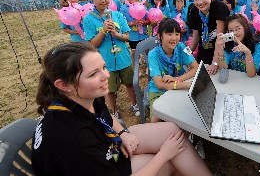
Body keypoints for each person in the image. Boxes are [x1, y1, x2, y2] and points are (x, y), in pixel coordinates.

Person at [32, 42, 213, 176]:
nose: (106, 75)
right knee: (170, 160)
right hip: (97, 161)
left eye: (103, 67)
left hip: (103, 148)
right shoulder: (74, 139)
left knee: (172, 132)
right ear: (64, 84)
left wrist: (123, 134)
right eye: (94, 74)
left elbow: (105, 116)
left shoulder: (78, 97)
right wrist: (164, 155)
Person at [83, 0, 139, 118]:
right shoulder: (88, 19)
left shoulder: (118, 15)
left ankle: (135, 104)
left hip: (123, 58)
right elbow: (92, 45)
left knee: (130, 83)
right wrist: (103, 30)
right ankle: (114, 111)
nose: (103, 0)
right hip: (105, 62)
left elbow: (128, 36)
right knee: (109, 89)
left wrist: (117, 34)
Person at [148, 18, 199, 122]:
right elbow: (159, 84)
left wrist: (177, 79)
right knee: (155, 121)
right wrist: (185, 85)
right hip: (158, 92)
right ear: (160, 36)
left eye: (177, 34)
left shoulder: (182, 47)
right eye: (169, 34)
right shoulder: (153, 54)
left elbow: (196, 67)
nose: (174, 38)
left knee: (186, 116)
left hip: (178, 87)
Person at [187, 0, 230, 75]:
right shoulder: (194, 11)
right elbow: (195, 37)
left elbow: (220, 38)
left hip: (221, 54)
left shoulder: (219, 7)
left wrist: (215, 62)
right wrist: (185, 55)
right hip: (204, 53)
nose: (200, 2)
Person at [119, 0, 150, 66]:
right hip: (132, 36)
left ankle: (149, 68)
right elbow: (122, 24)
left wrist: (144, 22)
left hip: (143, 35)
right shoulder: (123, 9)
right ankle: (135, 71)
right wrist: (133, 23)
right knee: (134, 54)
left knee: (146, 52)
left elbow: (148, 20)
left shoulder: (142, 6)